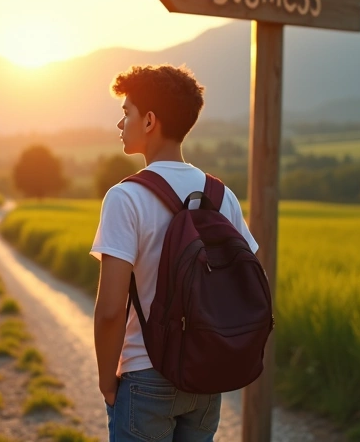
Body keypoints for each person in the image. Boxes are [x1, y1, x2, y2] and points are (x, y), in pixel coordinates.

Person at [91, 64, 258, 441]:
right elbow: (245, 280)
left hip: (145, 376)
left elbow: (111, 309)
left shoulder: (126, 197)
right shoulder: (221, 195)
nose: (121, 124)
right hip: (206, 377)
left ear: (149, 120)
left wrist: (106, 381)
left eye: (126, 112)